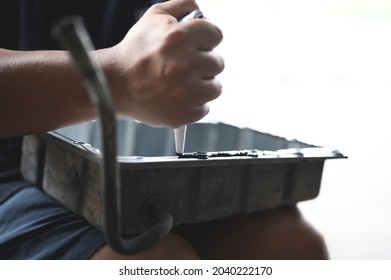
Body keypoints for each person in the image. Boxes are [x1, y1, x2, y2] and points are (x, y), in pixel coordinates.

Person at [0, 0, 328, 260]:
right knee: (159, 264)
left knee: (291, 249)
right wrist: (115, 76)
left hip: (114, 168)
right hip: (10, 171)